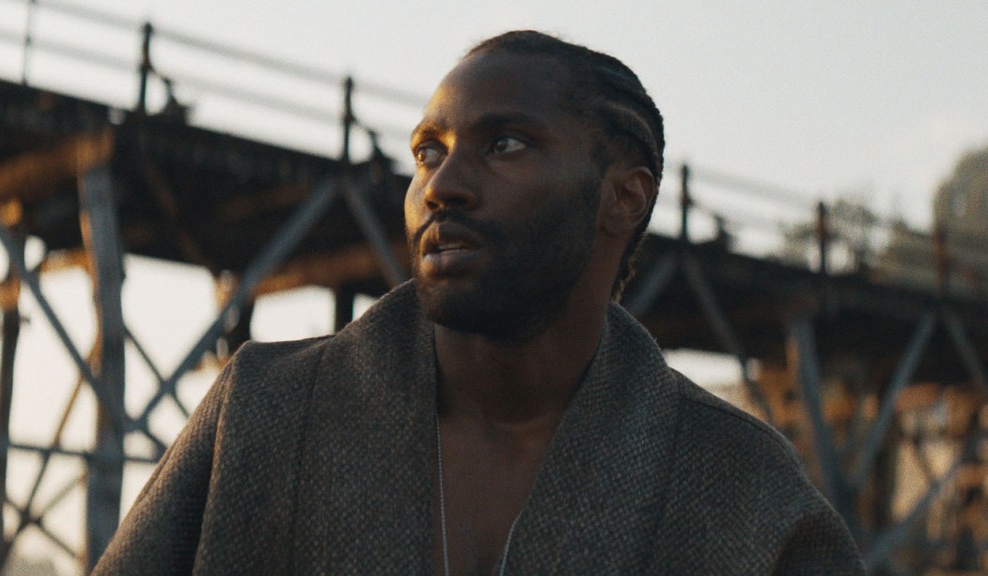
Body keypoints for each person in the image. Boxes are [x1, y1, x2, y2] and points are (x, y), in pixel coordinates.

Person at [93, 30, 865, 575]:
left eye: (505, 145)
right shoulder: (261, 413)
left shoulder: (739, 484)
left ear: (623, 198)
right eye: (428, 151)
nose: (443, 185)